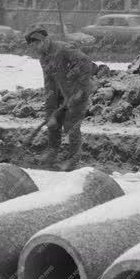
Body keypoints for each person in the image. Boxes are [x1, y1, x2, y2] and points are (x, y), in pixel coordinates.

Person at [25, 27, 95, 171]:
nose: (35, 48)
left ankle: (73, 160)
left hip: (78, 91)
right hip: (62, 92)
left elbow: (86, 62)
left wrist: (78, 87)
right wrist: (50, 108)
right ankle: (52, 151)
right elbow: (49, 83)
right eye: (33, 46)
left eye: (37, 44)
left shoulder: (63, 49)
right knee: (53, 120)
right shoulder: (43, 58)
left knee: (71, 124)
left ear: (46, 40)